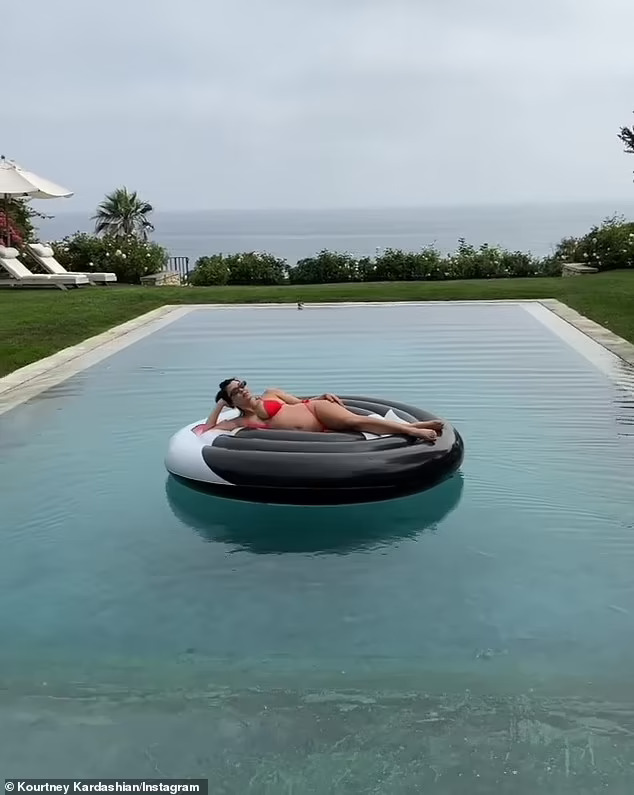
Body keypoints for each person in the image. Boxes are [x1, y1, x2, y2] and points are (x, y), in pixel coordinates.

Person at [193, 378, 442, 442]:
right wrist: (219, 404)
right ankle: (412, 427)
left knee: (355, 422)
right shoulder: (242, 422)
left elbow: (299, 402)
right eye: (236, 391)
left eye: (242, 385)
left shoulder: (271, 392)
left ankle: (414, 431)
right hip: (319, 429)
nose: (243, 390)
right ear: (232, 401)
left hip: (316, 411)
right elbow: (209, 429)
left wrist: (320, 397)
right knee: (355, 425)